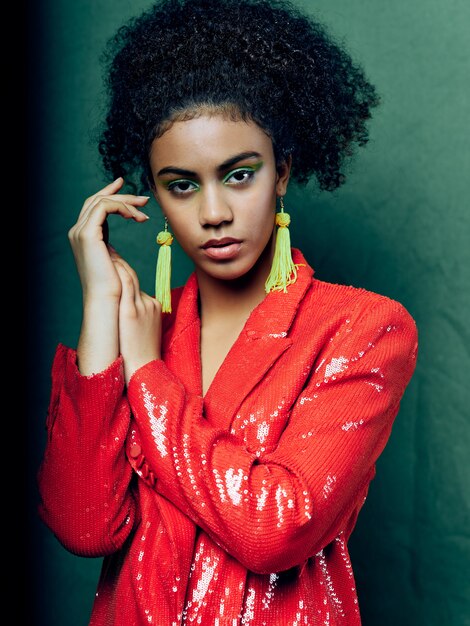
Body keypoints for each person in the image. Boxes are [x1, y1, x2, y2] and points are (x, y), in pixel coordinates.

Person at [37, 0, 419, 624]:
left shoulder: (361, 329)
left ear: (283, 172)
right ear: (156, 194)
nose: (213, 211)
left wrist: (147, 374)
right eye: (182, 184)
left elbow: (276, 528)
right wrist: (102, 312)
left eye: (239, 175)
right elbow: (86, 528)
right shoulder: (143, 328)